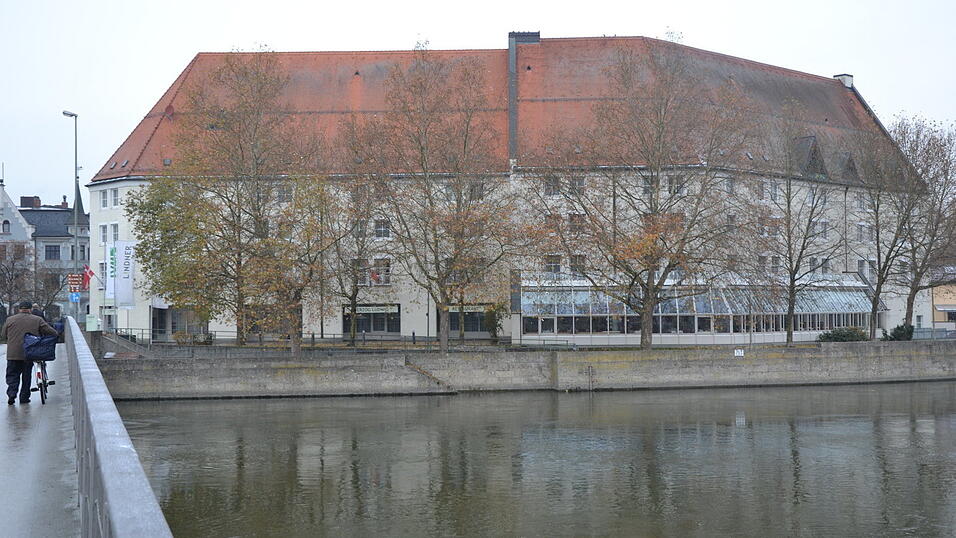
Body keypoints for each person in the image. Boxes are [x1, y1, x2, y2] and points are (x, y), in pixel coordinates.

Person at [1, 301, 58, 405]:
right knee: (26, 376)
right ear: (30, 309)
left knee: (12, 375)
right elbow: (52, 332)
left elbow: (3, 335)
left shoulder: (10, 320)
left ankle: (12, 394)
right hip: (29, 353)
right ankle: (24, 398)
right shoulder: (37, 320)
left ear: (19, 309)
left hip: (13, 354)